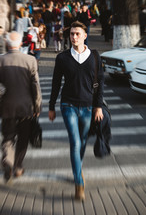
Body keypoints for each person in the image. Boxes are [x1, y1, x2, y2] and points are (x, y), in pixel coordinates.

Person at [48, 21, 104, 201]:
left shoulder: (95, 56)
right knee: (75, 142)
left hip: (88, 107)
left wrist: (98, 106)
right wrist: (51, 106)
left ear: (85, 35)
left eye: (77, 34)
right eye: (71, 34)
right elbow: (56, 83)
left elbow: (100, 83)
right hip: (68, 106)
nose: (74, 37)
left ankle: (76, 169)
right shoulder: (62, 58)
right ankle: (79, 182)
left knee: (82, 142)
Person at [0, 31, 42, 183]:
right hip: (26, 107)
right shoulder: (30, 60)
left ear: (7, 44)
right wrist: (37, 106)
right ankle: (18, 166)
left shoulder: (1, 60)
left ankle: (8, 162)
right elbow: (35, 86)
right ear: (20, 44)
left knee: (8, 137)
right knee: (23, 138)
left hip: (6, 107)